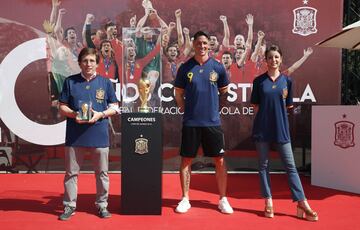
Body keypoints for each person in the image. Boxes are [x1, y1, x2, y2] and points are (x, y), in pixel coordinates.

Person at [250, 45, 318, 221]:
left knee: (291, 167)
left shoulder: (287, 81)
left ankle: (302, 202)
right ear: (266, 60)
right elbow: (255, 106)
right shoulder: (258, 82)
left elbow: (288, 106)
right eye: (270, 57)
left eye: (276, 57)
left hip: (281, 129)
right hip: (262, 130)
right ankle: (268, 201)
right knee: (263, 167)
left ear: (281, 60)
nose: (273, 60)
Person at [174, 31, 233, 214]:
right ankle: (185, 198)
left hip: (212, 123)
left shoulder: (218, 67)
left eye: (205, 43)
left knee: (220, 160)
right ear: (193, 44)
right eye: (199, 43)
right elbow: (178, 93)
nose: (202, 46)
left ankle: (223, 199)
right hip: (191, 122)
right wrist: (185, 109)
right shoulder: (185, 68)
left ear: (209, 45)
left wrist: (216, 110)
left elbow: (224, 92)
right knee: (186, 160)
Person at [58, 48, 119, 221]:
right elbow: (62, 106)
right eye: (85, 61)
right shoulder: (70, 82)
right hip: (75, 135)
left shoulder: (105, 83)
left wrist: (100, 114)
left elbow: (115, 107)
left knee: (102, 173)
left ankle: (102, 205)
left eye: (92, 61)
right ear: (79, 63)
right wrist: (74, 114)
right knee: (71, 173)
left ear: (97, 64)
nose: (88, 64)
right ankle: (69, 206)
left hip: (99, 134)